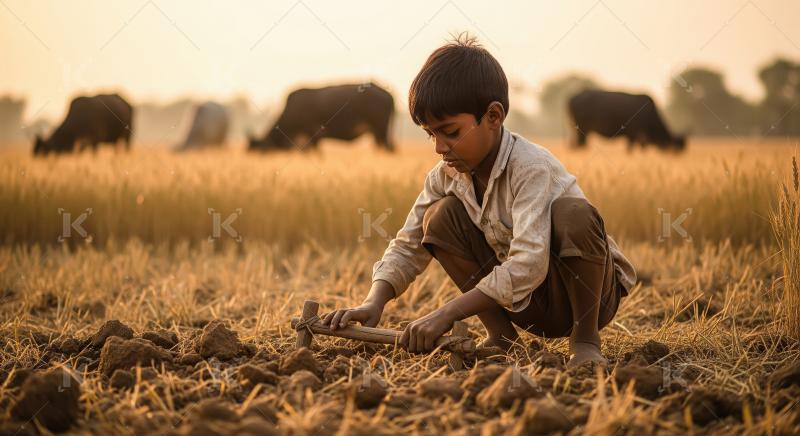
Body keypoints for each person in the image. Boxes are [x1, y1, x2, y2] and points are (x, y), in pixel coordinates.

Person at [321, 33, 636, 368]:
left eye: (451, 132)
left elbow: (529, 264)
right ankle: (502, 336)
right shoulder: (445, 175)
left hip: (585, 298)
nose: (439, 148)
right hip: (525, 305)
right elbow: (409, 241)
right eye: (431, 134)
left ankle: (585, 341)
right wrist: (374, 301)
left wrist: (446, 314)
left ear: (494, 117)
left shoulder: (531, 168)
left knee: (574, 213)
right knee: (438, 218)